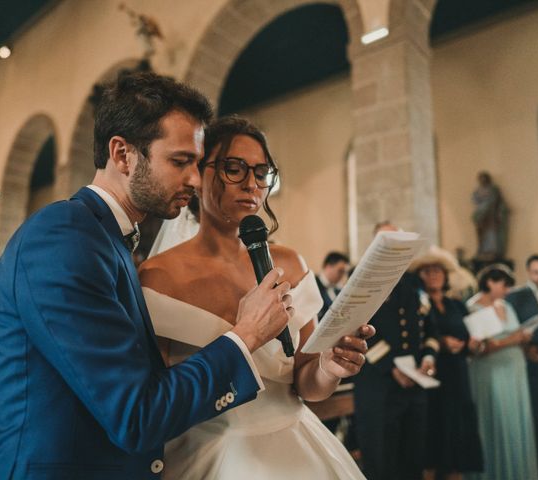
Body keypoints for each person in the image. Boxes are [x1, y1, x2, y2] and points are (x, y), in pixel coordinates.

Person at [0, 73, 294, 480]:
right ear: (123, 154)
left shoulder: (108, 238)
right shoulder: (63, 239)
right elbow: (136, 415)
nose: (196, 180)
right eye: (180, 161)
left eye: (198, 164)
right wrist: (246, 334)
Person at [138, 116, 372, 479]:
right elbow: (160, 400)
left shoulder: (289, 263)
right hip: (214, 451)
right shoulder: (159, 277)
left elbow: (306, 383)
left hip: (297, 440)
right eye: (234, 169)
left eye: (262, 173)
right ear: (199, 174)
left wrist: (330, 367)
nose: (251, 184)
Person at [353, 221, 439, 480]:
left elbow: (429, 328)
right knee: (382, 463)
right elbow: (355, 329)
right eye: (385, 240)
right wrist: (391, 367)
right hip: (379, 388)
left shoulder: (413, 282)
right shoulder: (363, 279)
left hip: (413, 387)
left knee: (413, 460)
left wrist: (428, 357)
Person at [409, 246, 483, 480]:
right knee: (433, 439)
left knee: (458, 439)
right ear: (420, 276)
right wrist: (441, 342)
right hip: (434, 377)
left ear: (446, 275)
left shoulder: (457, 305)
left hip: (459, 376)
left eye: (438, 271)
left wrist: (472, 344)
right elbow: (415, 339)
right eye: (428, 271)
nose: (433, 275)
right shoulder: (418, 305)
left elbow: (473, 334)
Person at [466, 264, 538, 480]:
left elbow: (516, 334)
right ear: (489, 282)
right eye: (503, 285)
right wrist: (513, 339)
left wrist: (525, 342)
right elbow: (482, 347)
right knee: (497, 420)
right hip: (491, 373)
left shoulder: (506, 306)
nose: (507, 290)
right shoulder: (472, 308)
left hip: (515, 372)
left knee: (515, 422)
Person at [505, 254, 538, 474]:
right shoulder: (516, 296)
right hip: (531, 364)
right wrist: (527, 349)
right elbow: (511, 328)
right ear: (529, 272)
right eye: (537, 272)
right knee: (536, 416)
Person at [471, 171, 509, 261]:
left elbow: (497, 201)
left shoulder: (494, 189)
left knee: (491, 234)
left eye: (484, 178)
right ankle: (483, 251)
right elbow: (474, 200)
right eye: (481, 179)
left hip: (491, 216)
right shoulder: (478, 190)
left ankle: (492, 251)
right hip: (482, 216)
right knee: (482, 235)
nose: (482, 181)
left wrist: (496, 212)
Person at [315, 251, 350, 320]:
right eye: (340, 271)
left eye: (345, 272)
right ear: (328, 266)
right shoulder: (312, 285)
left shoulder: (339, 290)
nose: (343, 276)